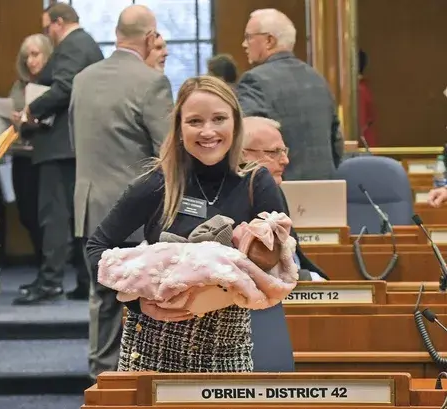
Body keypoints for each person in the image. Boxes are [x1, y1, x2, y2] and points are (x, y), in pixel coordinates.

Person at [86, 75, 294, 372]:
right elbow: (96, 248)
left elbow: (280, 265)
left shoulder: (257, 182)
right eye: (195, 121)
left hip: (227, 350)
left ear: (235, 123)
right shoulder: (156, 183)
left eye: (219, 118)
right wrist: (137, 302)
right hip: (153, 350)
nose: (208, 131)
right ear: (180, 129)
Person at [70, 4, 174, 380]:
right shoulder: (151, 82)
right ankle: (137, 382)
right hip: (136, 215)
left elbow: (74, 144)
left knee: (103, 300)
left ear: (116, 34)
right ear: (150, 38)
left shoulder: (82, 79)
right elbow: (170, 154)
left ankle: (101, 382)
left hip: (90, 206)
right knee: (145, 302)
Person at [14, 2, 103, 304]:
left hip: (60, 147)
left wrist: (31, 109)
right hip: (72, 146)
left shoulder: (73, 45)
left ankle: (50, 282)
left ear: (59, 22)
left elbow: (64, 87)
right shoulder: (83, 45)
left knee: (53, 216)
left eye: (47, 26)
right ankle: (81, 280)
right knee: (76, 218)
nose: (46, 33)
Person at [237, 8, 343, 181]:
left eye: (249, 37)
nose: (244, 44)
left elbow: (247, 145)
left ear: (269, 40)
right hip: (324, 188)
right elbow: (336, 142)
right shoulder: (317, 78)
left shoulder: (254, 81)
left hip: (278, 192)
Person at [242, 116, 328, 281]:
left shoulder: (274, 189)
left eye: (284, 151)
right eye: (274, 152)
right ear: (242, 155)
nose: (285, 160)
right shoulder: (237, 199)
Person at [9, 33, 53, 270]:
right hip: (21, 155)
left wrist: (31, 119)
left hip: (45, 157)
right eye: (26, 56)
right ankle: (40, 261)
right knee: (26, 213)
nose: (30, 61)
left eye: (35, 55)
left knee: (45, 214)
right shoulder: (19, 85)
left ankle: (47, 266)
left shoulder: (54, 86)